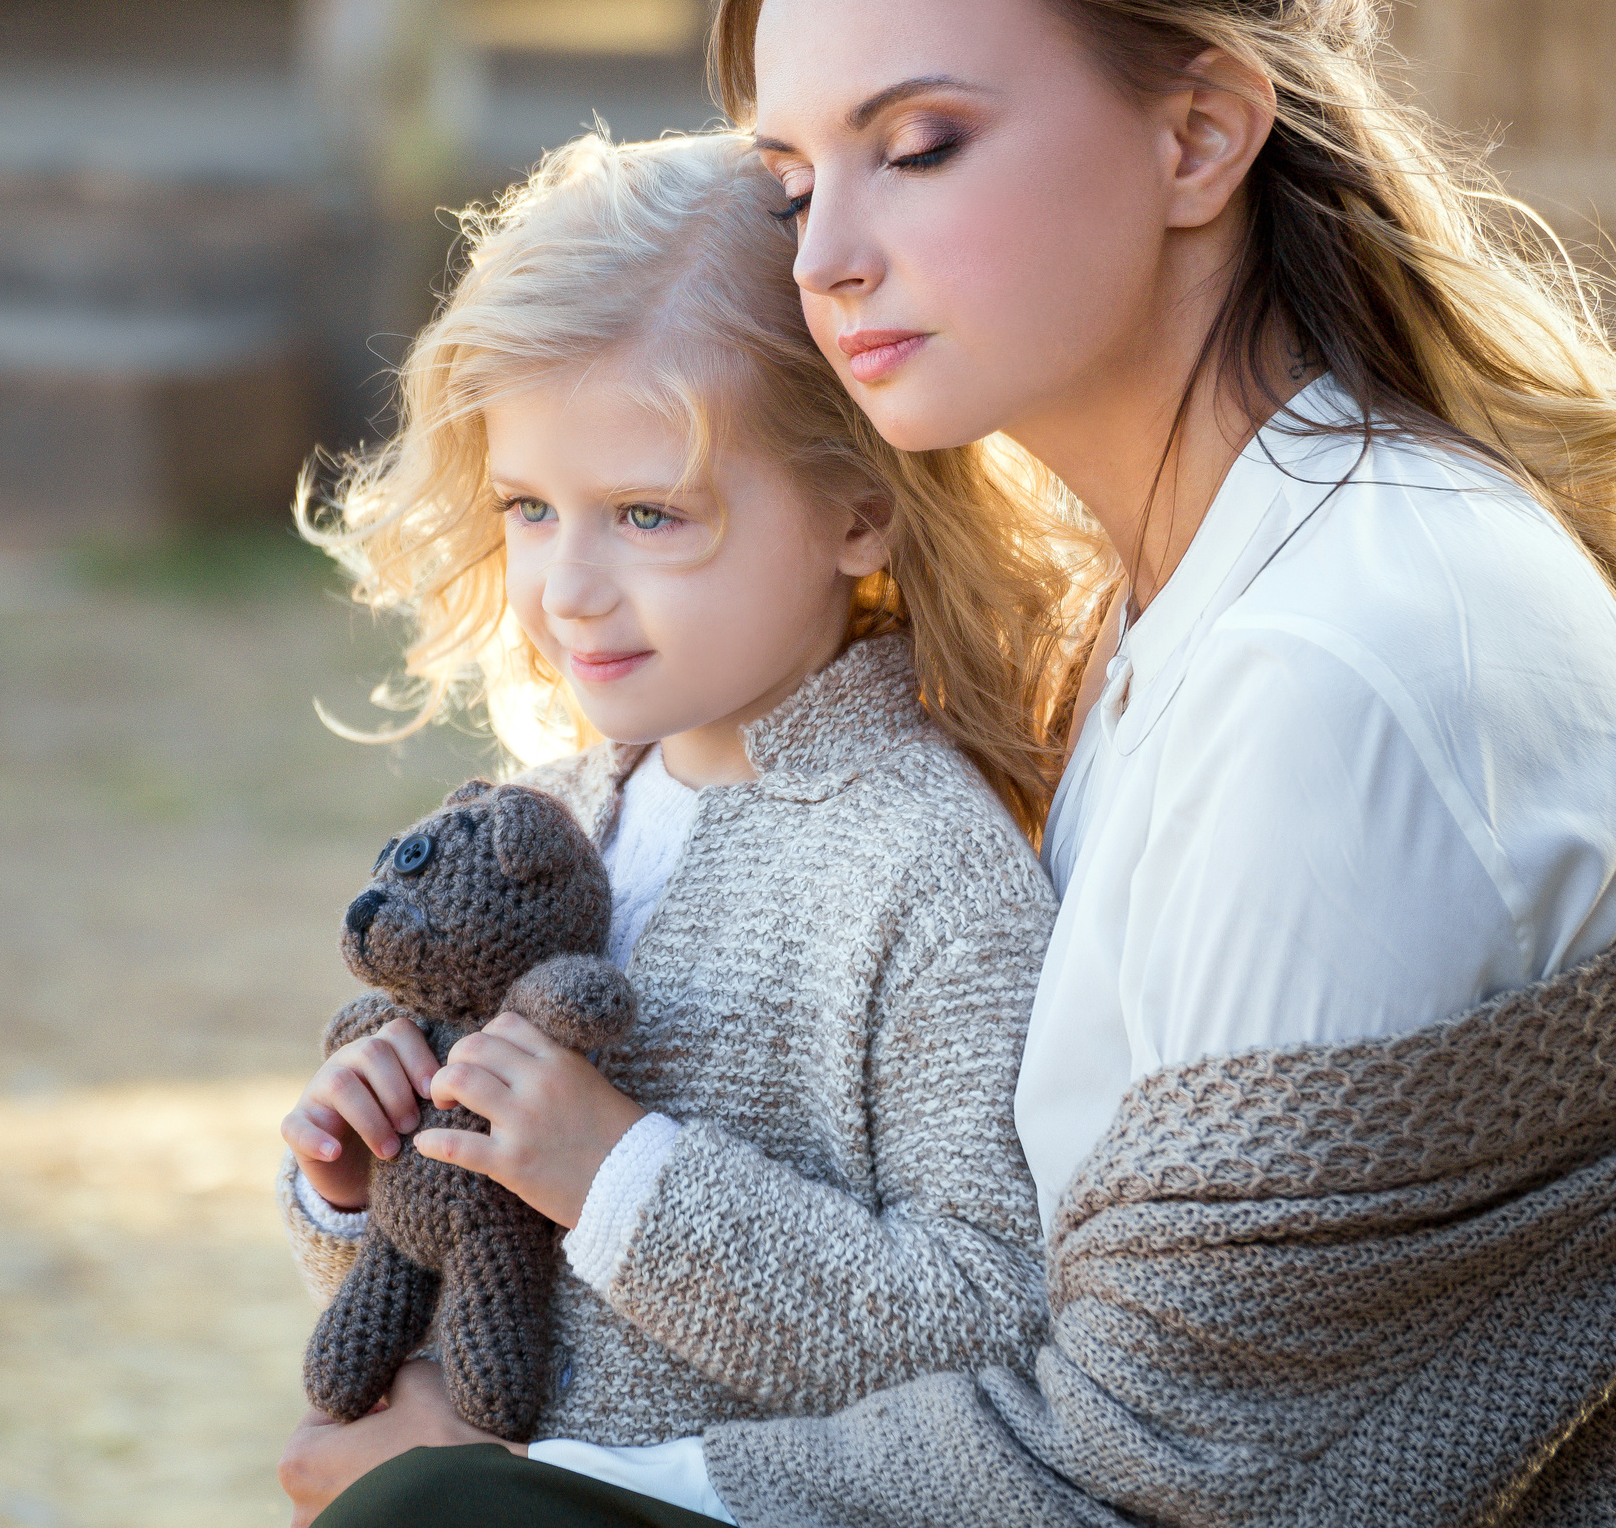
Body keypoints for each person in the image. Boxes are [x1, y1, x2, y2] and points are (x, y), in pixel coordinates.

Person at [289, 0, 1616, 1524]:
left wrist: (521, 1475)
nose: (823, 262)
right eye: (799, 183)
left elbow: (1188, 1462)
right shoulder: (1182, 591)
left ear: (1198, 134)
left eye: (923, 146)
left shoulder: (1333, 661)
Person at [279, 127, 1073, 1524]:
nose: (568, 588)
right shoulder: (562, 817)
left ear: (860, 511)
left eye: (648, 513)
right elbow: (481, 1293)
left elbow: (992, 1317)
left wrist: (619, 1172)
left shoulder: (927, 870)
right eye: (530, 507)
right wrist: (360, 1190)